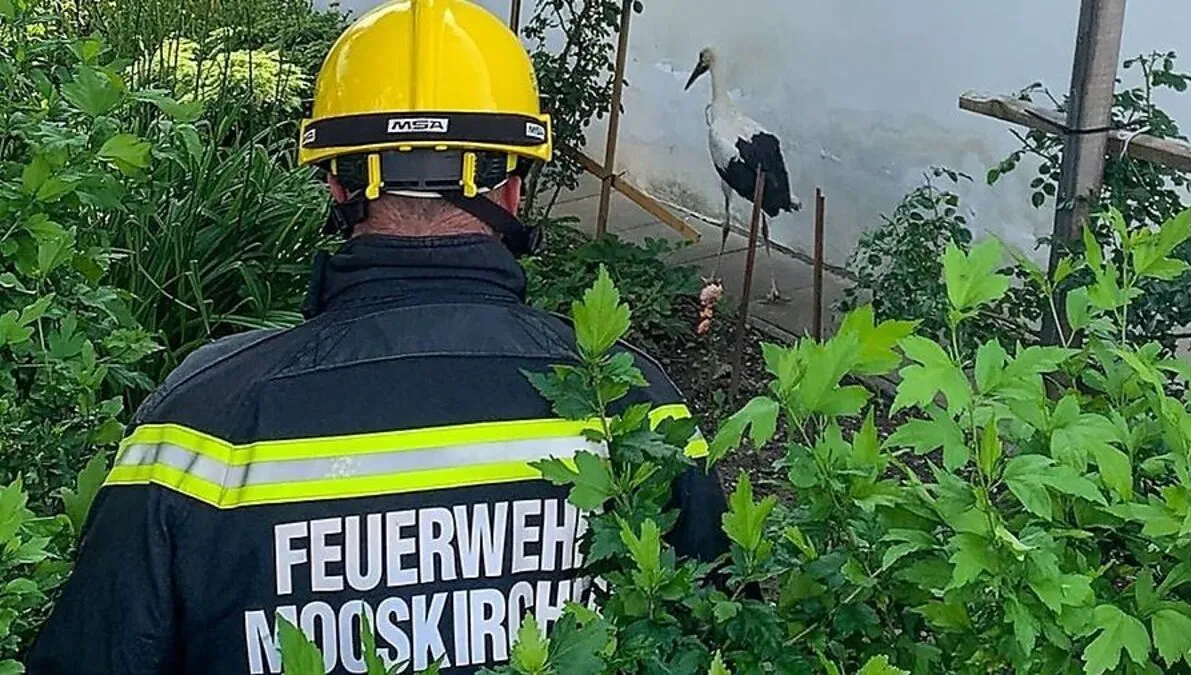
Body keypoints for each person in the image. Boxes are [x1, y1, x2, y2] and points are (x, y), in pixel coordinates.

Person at [25, 1, 728, 673]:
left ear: (335, 184)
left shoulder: (195, 427)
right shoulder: (634, 408)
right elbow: (729, 638)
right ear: (514, 188)